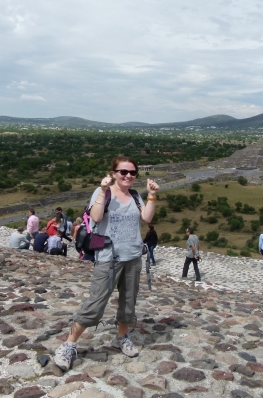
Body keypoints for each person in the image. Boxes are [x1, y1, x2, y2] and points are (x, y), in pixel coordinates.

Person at [53, 156, 159, 372]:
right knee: (96, 303)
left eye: (132, 172)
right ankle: (69, 344)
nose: (128, 175)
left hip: (132, 257)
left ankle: (121, 338)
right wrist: (102, 190)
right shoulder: (105, 193)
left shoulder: (136, 196)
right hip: (108, 258)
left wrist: (153, 195)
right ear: (113, 173)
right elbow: (96, 216)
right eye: (123, 172)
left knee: (128, 303)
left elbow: (147, 219)